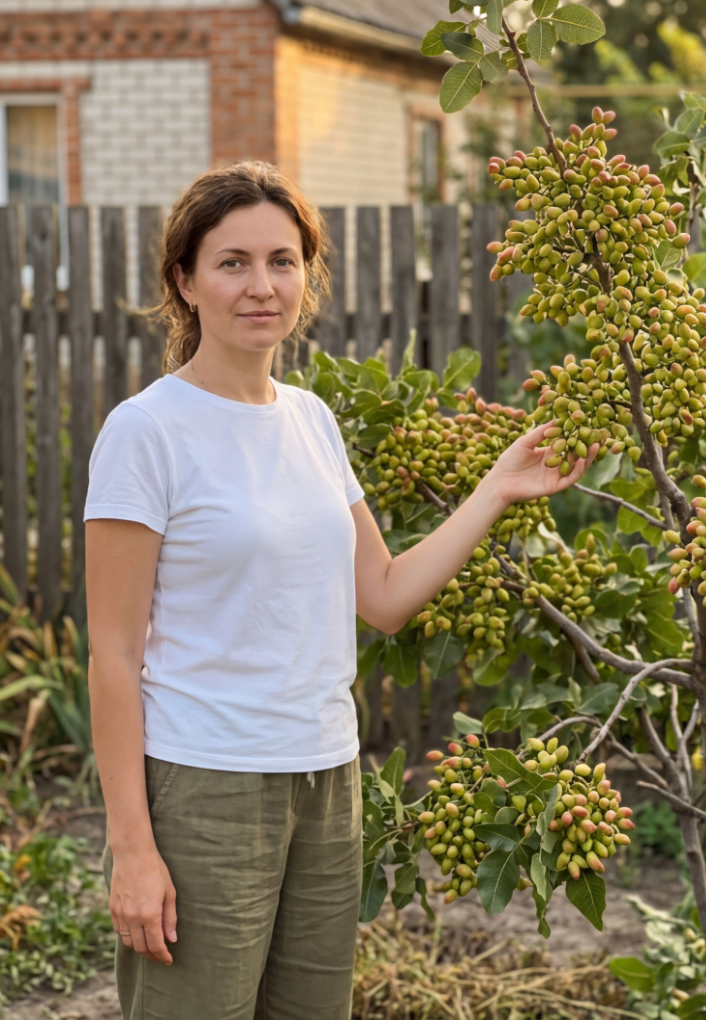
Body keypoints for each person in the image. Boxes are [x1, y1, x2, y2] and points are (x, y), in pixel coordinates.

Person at [85, 161, 598, 1020]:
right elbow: (113, 655)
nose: (261, 286)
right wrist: (132, 847)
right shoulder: (146, 432)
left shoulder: (312, 420)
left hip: (326, 777)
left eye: (282, 261)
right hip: (205, 785)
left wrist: (494, 490)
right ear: (185, 279)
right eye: (233, 262)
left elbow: (385, 595)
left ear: (307, 276)